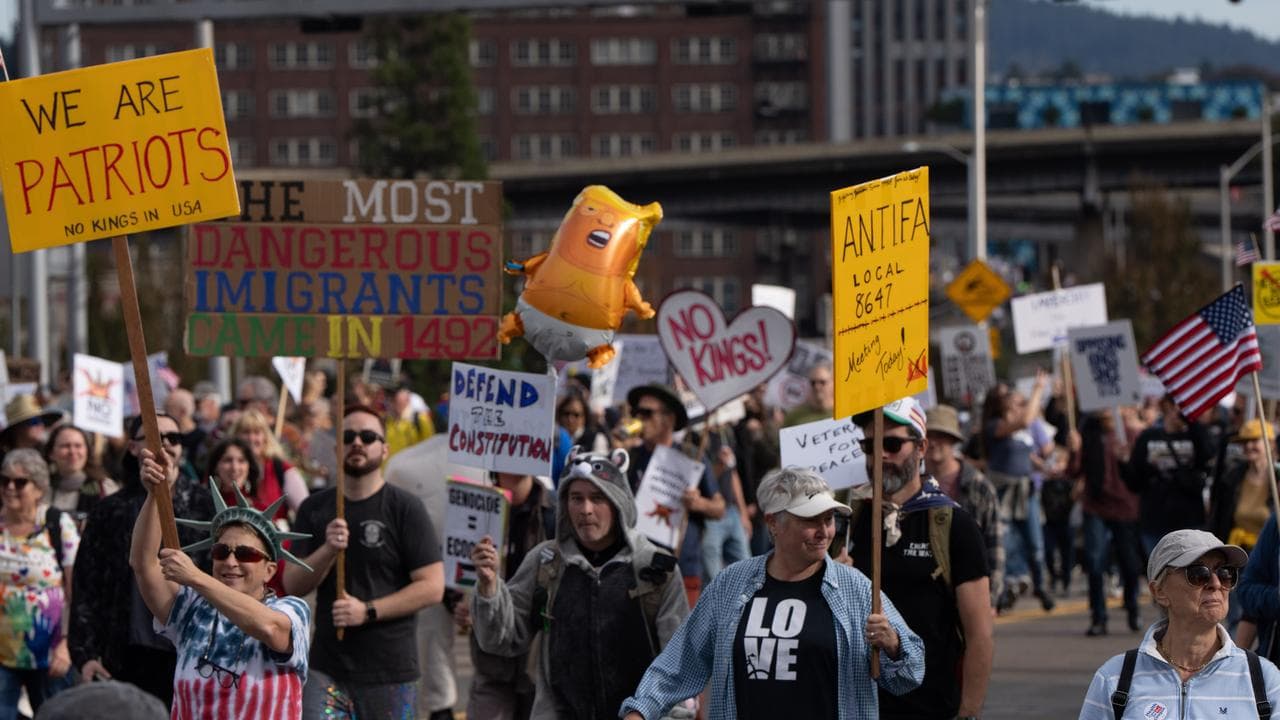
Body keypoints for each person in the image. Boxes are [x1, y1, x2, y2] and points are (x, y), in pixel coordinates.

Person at [620, 467, 925, 720]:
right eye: (810, 519)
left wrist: (894, 645)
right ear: (773, 523)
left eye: (829, 519)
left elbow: (909, 675)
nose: (824, 531)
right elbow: (681, 661)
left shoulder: (856, 589)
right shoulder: (730, 584)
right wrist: (640, 710)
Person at [472, 447, 690, 720]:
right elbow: (500, 641)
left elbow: (680, 665)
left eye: (598, 497)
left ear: (618, 501)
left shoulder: (656, 568)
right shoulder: (545, 561)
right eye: (577, 498)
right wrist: (489, 588)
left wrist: (648, 712)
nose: (585, 509)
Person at [284, 405, 445, 719]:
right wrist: (328, 550)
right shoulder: (314, 508)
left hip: (391, 672)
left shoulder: (405, 508)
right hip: (326, 668)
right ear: (336, 448)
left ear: (384, 449)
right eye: (348, 436)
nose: (357, 442)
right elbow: (293, 583)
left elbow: (432, 587)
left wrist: (368, 611)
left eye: (368, 436)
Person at [130, 444, 312, 718]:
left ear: (270, 570)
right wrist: (158, 494)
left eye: (246, 554)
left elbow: (271, 628)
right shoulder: (192, 610)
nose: (230, 561)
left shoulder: (291, 609)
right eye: (220, 551)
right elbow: (144, 565)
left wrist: (196, 577)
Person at [849, 398, 993, 720]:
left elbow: (979, 634)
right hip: (860, 707)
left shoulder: (954, 525)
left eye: (892, 443)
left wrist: (968, 712)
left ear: (921, 447)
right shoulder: (850, 522)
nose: (879, 454)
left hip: (931, 706)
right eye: (869, 445)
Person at [68, 414, 216, 707]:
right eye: (152, 437)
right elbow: (87, 587)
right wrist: (84, 654)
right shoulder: (110, 511)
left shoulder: (207, 506)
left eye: (173, 438)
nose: (164, 445)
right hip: (126, 652)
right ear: (134, 447)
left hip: (193, 651)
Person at [1080, 529, 1280, 719]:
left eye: (1225, 572)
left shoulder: (1264, 680)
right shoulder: (1114, 679)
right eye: (1198, 573)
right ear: (1159, 592)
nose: (1216, 583)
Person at [460, 471, 556, 720]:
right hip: (490, 663)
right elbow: (454, 568)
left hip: (538, 662)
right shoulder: (473, 504)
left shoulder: (556, 511)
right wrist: (463, 604)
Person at [623, 384, 726, 605]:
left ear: (668, 420)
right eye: (636, 413)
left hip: (682, 566)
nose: (640, 418)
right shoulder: (630, 457)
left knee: (678, 636)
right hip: (638, 564)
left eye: (647, 413)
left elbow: (719, 508)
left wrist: (697, 503)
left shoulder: (691, 457)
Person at [0, 449, 79, 718]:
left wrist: (65, 644)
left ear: (39, 489)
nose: (10, 487)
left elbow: (74, 590)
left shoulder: (57, 524)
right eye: (4, 480)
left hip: (50, 655)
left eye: (20, 482)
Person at [980, 374, 1056, 613]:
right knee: (1008, 540)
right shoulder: (995, 426)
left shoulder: (1022, 430)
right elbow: (1025, 421)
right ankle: (1010, 585)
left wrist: (1045, 467)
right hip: (1003, 491)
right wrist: (1038, 389)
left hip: (1026, 491)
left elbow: (1030, 455)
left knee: (1035, 540)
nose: (1019, 402)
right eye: (1011, 398)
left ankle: (1040, 585)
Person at [924, 404, 1004, 609]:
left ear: (953, 441)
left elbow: (994, 545)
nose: (933, 442)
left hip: (969, 590)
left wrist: (990, 598)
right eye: (928, 435)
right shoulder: (913, 485)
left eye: (940, 435)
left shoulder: (979, 486)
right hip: (927, 596)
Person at [1076, 410, 1144, 637]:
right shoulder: (1088, 432)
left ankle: (1133, 606)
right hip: (1095, 505)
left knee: (1129, 563)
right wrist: (1075, 450)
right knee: (1095, 562)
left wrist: (1128, 456)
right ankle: (1098, 617)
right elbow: (1074, 470)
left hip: (1125, 507)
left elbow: (1140, 470)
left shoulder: (1132, 433)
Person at [1124, 394, 1213, 555]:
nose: (1178, 410)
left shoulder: (1196, 436)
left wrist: (1191, 422)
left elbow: (1208, 455)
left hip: (1189, 520)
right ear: (1166, 406)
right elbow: (1134, 483)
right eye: (1175, 405)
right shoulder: (1147, 437)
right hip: (1154, 520)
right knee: (1160, 576)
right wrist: (1123, 462)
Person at [230, 409, 309, 523]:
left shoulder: (282, 469)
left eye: (256, 432)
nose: (251, 438)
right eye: (246, 432)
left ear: (265, 437)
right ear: (235, 436)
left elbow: (305, 512)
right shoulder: (224, 468)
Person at [44, 424, 118, 527]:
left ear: (87, 451)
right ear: (51, 453)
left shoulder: (104, 488)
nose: (72, 451)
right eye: (65, 446)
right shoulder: (41, 488)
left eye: (78, 446)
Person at [383, 384, 436, 460]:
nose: (391, 399)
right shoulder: (385, 420)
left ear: (407, 397)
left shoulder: (421, 419)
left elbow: (431, 449)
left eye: (395, 396)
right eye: (389, 396)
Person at [782, 360, 834, 427]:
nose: (817, 387)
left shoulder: (845, 414)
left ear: (833, 383)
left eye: (822, 382)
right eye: (813, 383)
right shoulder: (795, 416)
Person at [556, 389, 608, 455]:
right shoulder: (553, 438)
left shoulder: (597, 439)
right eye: (566, 413)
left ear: (584, 417)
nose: (570, 419)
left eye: (576, 415)